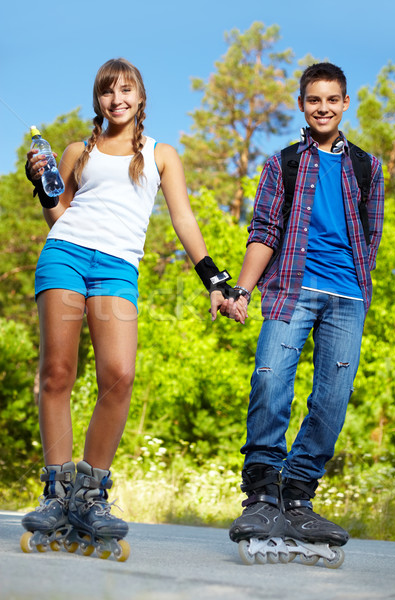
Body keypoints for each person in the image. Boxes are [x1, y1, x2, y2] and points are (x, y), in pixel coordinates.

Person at [21, 58, 231, 559]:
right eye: (107, 92)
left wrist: (214, 279)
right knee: (57, 372)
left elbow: (183, 219)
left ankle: (90, 496)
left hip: (118, 269)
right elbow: (60, 214)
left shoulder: (162, 156)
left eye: (126, 91)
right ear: (98, 100)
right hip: (66, 256)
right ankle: (57, 491)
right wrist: (42, 184)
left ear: (140, 98)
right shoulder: (78, 149)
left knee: (119, 375)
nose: (117, 100)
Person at [220, 63, 384, 561]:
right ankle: (263, 493)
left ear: (345, 103)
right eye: (314, 99)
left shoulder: (368, 167)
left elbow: (370, 234)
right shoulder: (282, 165)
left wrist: (357, 285)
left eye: (332, 99)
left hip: (348, 297)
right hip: (292, 288)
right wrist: (242, 290)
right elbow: (265, 231)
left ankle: (298, 495)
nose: (324, 107)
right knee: (271, 381)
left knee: (332, 400)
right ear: (302, 104)